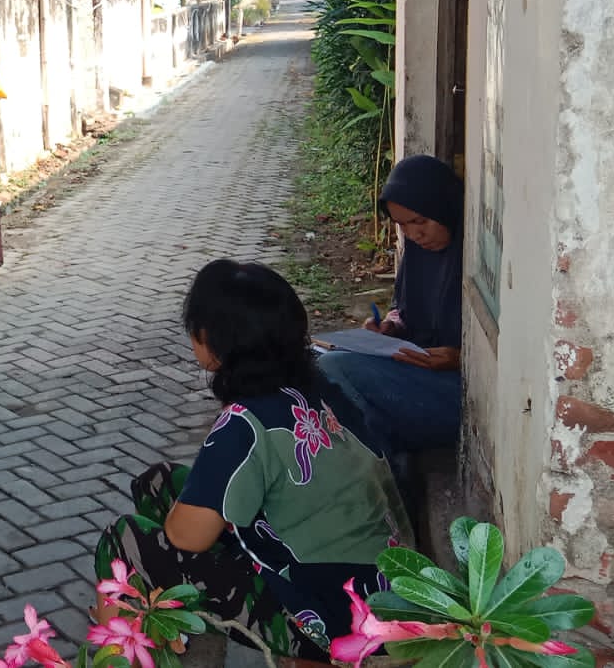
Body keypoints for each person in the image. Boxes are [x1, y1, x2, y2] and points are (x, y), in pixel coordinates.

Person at [97, 260, 409, 662]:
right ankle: (163, 622)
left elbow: (187, 538)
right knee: (158, 483)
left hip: (330, 614)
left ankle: (116, 649)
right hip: (380, 581)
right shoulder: (319, 384)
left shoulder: (245, 423)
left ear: (208, 339)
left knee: (124, 539)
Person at [319, 155, 464, 456]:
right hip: (420, 375)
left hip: (461, 395)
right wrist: (391, 327)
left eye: (420, 221)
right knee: (317, 359)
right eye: (402, 225)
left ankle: (384, 457)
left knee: (333, 367)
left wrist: (461, 359)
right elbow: (405, 307)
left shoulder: (475, 257)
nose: (414, 234)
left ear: (444, 206)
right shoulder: (420, 252)